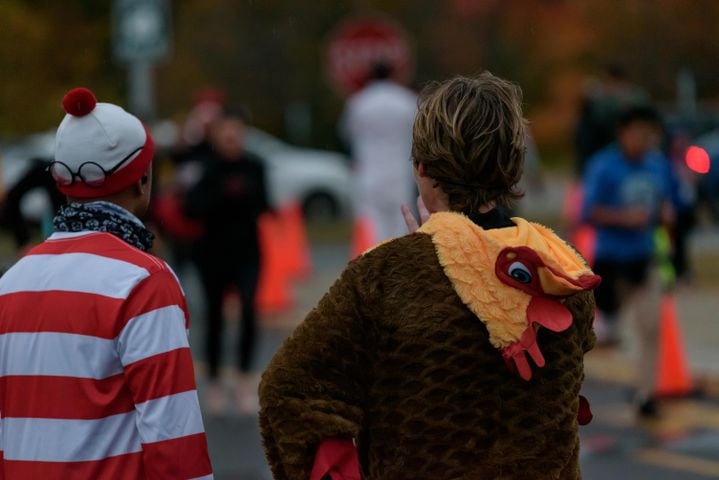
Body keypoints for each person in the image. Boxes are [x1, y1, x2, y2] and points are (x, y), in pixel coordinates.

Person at [259, 73, 601, 479]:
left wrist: (423, 251)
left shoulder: (385, 275)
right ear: (512, 165)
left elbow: (289, 391)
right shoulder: (563, 270)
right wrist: (444, 247)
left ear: (421, 167)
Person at [0, 88, 213, 479]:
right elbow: (174, 440)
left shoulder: (10, 285)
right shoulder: (145, 283)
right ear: (141, 180)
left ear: (63, 182)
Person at [581, 105, 675, 417]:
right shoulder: (604, 166)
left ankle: (645, 394)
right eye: (637, 132)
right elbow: (587, 212)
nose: (643, 139)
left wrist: (665, 214)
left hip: (644, 259)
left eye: (648, 133)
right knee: (600, 338)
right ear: (623, 133)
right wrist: (623, 218)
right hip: (610, 263)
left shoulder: (657, 165)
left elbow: (668, 200)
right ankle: (571, 390)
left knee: (651, 327)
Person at [184, 110, 271, 414]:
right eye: (225, 134)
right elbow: (191, 207)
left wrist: (244, 197)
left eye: (236, 134)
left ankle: (246, 378)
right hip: (212, 252)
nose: (231, 140)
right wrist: (220, 195)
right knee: (215, 315)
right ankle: (216, 380)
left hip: (247, 251)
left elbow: (264, 204)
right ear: (216, 136)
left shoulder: (255, 166)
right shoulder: (204, 167)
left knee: (249, 309)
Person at [340, 61, 418, 246]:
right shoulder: (406, 100)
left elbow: (347, 134)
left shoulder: (359, 102)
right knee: (401, 221)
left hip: (369, 172)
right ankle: (399, 265)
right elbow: (419, 133)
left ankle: (376, 266)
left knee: (372, 226)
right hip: (399, 171)